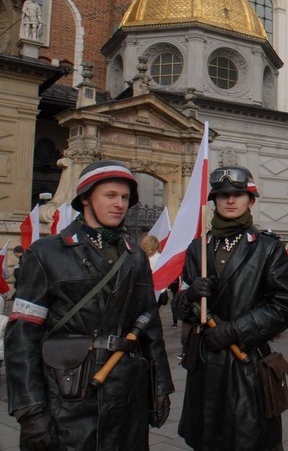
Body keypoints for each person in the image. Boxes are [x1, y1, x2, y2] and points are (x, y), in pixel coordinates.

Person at [4, 159, 174, 450]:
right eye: (110, 195)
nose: (119, 204)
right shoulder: (46, 252)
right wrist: (30, 409)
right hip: (68, 392)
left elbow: (150, 323)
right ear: (85, 198)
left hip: (127, 395)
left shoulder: (135, 256)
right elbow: (22, 336)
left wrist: (160, 386)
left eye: (124, 198)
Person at [174, 165, 288, 451]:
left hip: (247, 364)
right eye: (223, 195)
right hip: (204, 366)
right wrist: (191, 296)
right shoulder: (197, 248)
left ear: (250, 200)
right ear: (214, 201)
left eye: (238, 195)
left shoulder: (268, 248)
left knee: (251, 442)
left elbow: (284, 306)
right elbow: (181, 307)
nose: (230, 200)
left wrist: (235, 330)